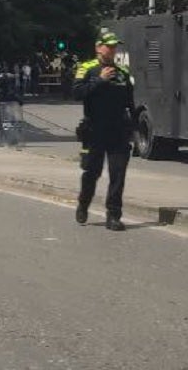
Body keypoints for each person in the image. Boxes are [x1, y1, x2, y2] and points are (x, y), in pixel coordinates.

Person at [73, 30, 136, 231]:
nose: (112, 50)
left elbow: (130, 102)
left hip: (118, 130)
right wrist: (99, 80)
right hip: (95, 130)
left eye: (114, 47)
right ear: (98, 47)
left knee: (118, 174)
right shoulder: (87, 68)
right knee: (92, 172)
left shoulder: (123, 72)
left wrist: (133, 128)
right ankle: (83, 204)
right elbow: (76, 93)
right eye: (108, 46)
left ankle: (114, 215)